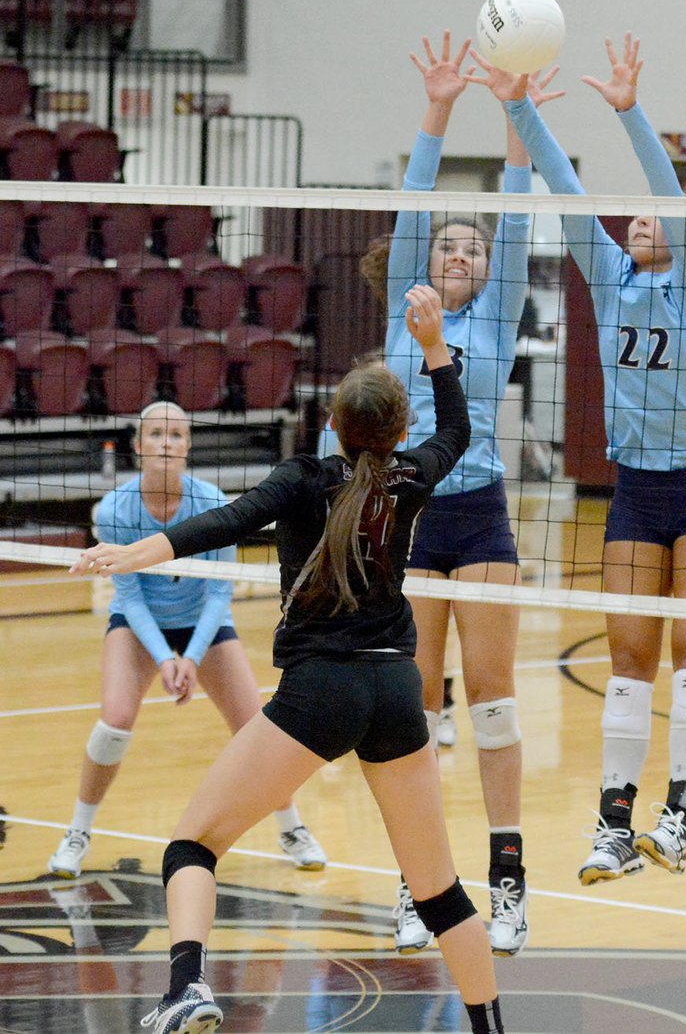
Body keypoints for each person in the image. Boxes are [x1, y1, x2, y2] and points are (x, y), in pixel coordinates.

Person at [71, 285, 511, 1034]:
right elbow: (461, 427)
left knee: (191, 844)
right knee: (439, 893)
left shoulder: (303, 478)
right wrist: (435, 342)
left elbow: (218, 523)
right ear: (398, 429)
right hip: (399, 691)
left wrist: (128, 554)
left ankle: (188, 986)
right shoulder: (411, 476)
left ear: (332, 423)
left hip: (320, 691)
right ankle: (491, 1028)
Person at [469, 32, 686, 884]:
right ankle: (613, 826)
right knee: (628, 656)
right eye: (634, 215)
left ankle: (680, 815)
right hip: (635, 493)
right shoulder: (609, 272)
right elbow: (564, 188)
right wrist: (516, 105)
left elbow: (667, 188)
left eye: (654, 215)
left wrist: (630, 112)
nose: (640, 216)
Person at [364, 31, 564, 958]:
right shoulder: (408, 306)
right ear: (425, 260)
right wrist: (438, 108)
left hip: (479, 515)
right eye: (446, 242)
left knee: (491, 702)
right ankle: (418, 884)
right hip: (405, 515)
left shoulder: (499, 308)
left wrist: (514, 111)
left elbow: (516, 218)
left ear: (487, 269)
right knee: (416, 707)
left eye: (471, 246)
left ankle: (509, 883)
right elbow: (413, 201)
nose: (459, 251)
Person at [48, 401, 326, 881]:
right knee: (114, 722)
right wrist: (163, 658)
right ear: (138, 446)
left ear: (188, 447)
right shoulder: (116, 509)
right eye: (155, 434)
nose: (166, 444)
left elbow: (221, 591)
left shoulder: (213, 501)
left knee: (258, 725)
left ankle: (291, 827)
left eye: (176, 435)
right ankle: (78, 831)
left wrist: (192, 658)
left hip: (203, 620)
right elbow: (129, 596)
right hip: (140, 623)